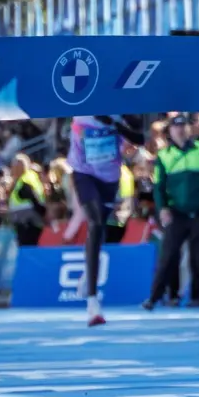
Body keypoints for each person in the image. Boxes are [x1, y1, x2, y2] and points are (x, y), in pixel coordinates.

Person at [143, 115, 199, 311]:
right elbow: (158, 187)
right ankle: (154, 298)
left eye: (183, 126)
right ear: (170, 131)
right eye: (176, 127)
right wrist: (163, 209)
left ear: (189, 129)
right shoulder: (164, 156)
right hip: (177, 213)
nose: (180, 130)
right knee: (167, 256)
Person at [65, 114, 145, 326]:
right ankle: (93, 303)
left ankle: (87, 272)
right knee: (95, 222)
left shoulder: (119, 107)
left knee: (100, 230)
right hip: (83, 173)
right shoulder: (81, 104)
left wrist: (116, 124)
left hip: (109, 178)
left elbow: (141, 138)